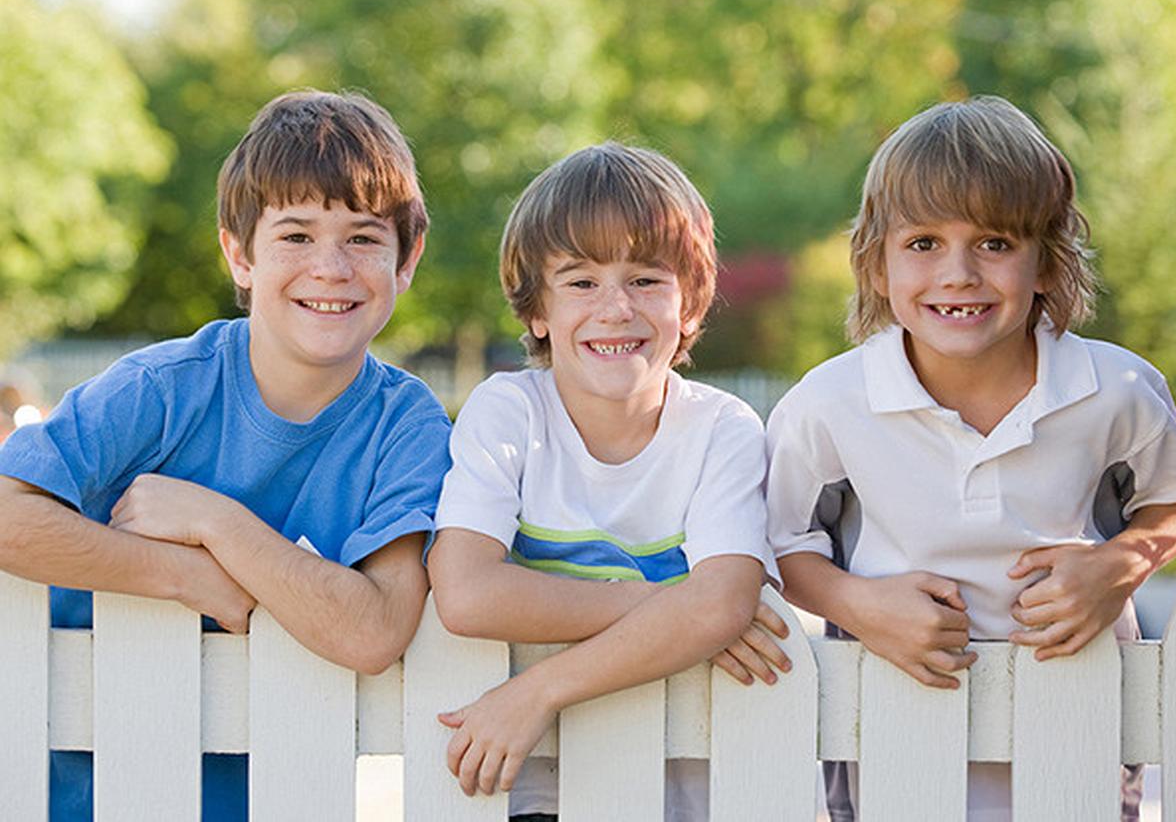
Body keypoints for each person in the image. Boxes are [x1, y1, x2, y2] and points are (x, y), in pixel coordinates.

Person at [765, 96, 1176, 822]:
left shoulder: (1114, 388)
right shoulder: (829, 403)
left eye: (995, 243)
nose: (958, 274)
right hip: (894, 726)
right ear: (877, 265)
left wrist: (1119, 565)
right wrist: (857, 604)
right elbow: (777, 542)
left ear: (1047, 263)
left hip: (1076, 723)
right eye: (923, 243)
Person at [0, 89, 451, 822]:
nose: (331, 267)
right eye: (295, 236)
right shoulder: (161, 389)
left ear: (406, 260)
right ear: (240, 255)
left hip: (282, 796)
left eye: (364, 238)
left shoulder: (406, 425)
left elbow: (374, 631)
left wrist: (216, 523)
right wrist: (186, 575)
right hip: (86, 791)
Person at [427, 141, 788, 821]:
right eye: (581, 282)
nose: (616, 308)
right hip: (537, 788)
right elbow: (467, 595)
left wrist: (539, 690)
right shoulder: (509, 412)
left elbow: (722, 605)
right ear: (537, 310)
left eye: (646, 279)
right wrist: (678, 606)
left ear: (690, 303)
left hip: (689, 787)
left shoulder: (722, 429)